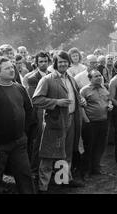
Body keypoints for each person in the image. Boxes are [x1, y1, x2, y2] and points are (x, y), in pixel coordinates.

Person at [32, 50, 86, 192]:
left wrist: (81, 100)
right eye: (60, 61)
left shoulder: (71, 79)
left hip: (71, 120)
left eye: (65, 61)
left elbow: (76, 96)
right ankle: (43, 187)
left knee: (66, 153)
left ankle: (62, 180)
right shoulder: (47, 79)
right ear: (55, 63)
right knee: (48, 154)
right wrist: (56, 102)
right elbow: (36, 100)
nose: (63, 64)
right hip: (55, 123)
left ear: (69, 63)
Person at [0, 57, 36, 194]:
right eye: (7, 68)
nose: (12, 70)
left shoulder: (19, 88)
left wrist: (24, 134)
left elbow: (29, 111)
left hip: (19, 142)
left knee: (25, 175)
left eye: (12, 66)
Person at [22, 51, 51, 178]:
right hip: (38, 113)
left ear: (49, 62)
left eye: (45, 61)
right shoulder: (31, 77)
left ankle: (49, 168)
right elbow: (35, 99)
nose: (43, 63)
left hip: (51, 111)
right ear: (36, 63)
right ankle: (34, 170)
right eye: (41, 61)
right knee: (37, 142)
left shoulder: (52, 74)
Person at [79, 69, 112, 177]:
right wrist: (86, 121)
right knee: (89, 147)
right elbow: (81, 107)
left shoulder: (105, 88)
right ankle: (85, 171)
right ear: (90, 79)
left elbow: (108, 100)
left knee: (100, 146)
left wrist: (110, 105)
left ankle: (96, 168)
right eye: (96, 76)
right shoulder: (84, 91)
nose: (99, 77)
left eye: (100, 75)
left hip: (103, 121)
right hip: (91, 123)